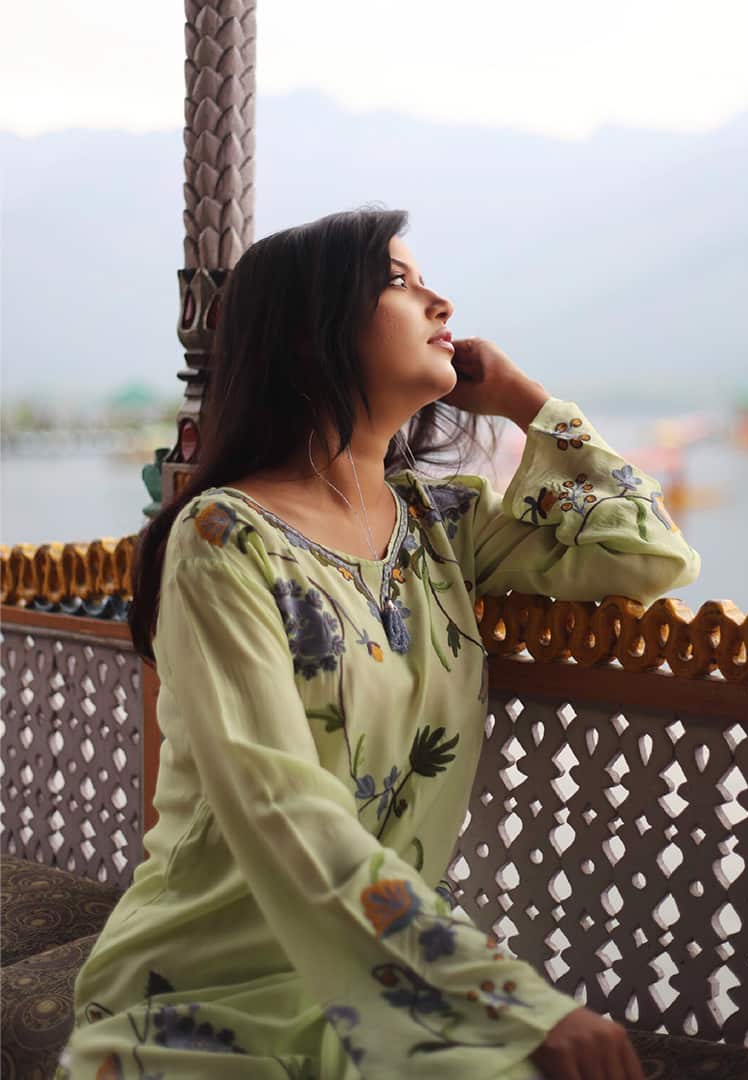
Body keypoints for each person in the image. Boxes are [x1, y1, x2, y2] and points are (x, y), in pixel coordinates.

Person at [58, 207, 701, 1079]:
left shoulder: (442, 527)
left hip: (387, 984)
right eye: (399, 282)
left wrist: (526, 401)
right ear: (313, 328)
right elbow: (280, 803)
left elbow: (651, 552)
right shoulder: (223, 540)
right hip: (206, 990)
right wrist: (512, 1001)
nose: (441, 302)